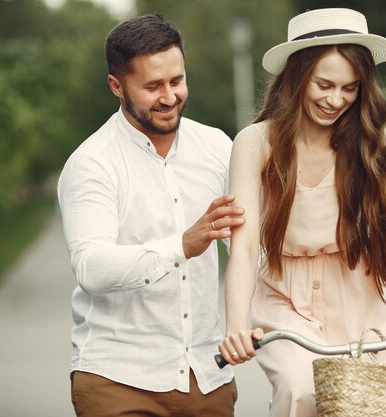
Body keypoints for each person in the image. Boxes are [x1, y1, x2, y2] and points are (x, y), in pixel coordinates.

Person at [218, 7, 386, 417]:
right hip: (286, 299)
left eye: (349, 88)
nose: (335, 100)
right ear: (296, 77)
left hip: (366, 294)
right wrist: (236, 326)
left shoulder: (374, 145)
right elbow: (243, 246)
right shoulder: (256, 144)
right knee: (300, 390)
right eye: (323, 84)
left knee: (384, 402)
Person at [57, 14, 245, 417]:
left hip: (209, 378)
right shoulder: (92, 163)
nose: (169, 96)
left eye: (176, 81)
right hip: (118, 380)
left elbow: (250, 250)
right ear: (116, 86)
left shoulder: (217, 147)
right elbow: (91, 267)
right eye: (152, 86)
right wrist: (181, 245)